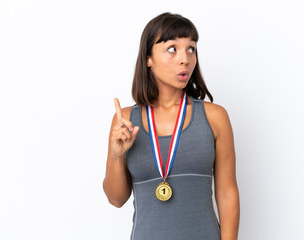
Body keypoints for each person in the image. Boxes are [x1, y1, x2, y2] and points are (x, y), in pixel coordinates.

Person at [103, 12, 240, 240]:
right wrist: (117, 156)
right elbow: (116, 199)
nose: (185, 58)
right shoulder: (125, 120)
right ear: (148, 59)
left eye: (191, 49)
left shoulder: (215, 117)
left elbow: (227, 194)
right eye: (172, 49)